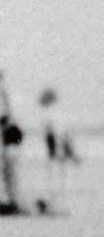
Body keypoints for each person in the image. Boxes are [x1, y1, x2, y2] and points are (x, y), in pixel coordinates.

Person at [35, 86, 80, 215]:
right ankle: (58, 206)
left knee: (56, 179)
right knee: (63, 180)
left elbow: (57, 133)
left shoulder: (49, 114)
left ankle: (55, 206)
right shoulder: (56, 113)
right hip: (58, 149)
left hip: (55, 150)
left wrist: (59, 150)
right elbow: (62, 134)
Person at [0, 69, 24, 214]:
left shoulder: (4, 96)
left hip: (10, 135)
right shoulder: (1, 96)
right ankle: (10, 201)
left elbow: (9, 117)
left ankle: (13, 201)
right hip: (8, 135)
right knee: (7, 171)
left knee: (10, 171)